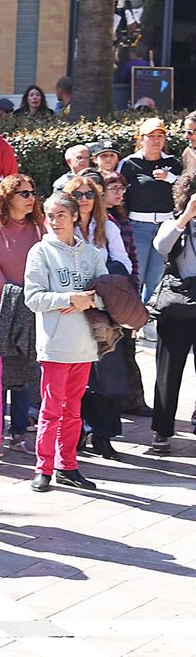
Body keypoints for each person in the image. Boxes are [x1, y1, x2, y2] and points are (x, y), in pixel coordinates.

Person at [25, 193, 105, 491]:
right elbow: (32, 298)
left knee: (74, 410)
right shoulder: (40, 252)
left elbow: (107, 291)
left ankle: (67, 465)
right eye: (50, 215)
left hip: (85, 343)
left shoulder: (91, 253)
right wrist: (68, 298)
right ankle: (43, 468)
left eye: (60, 215)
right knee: (51, 409)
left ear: (74, 216)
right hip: (55, 344)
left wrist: (89, 299)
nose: (54, 221)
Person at [0, 175, 42, 451]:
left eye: (32, 192)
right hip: (1, 310)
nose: (30, 198)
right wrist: (18, 298)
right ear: (7, 197)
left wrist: (35, 299)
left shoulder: (40, 228)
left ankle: (19, 433)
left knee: (25, 372)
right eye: (23, 193)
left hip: (34, 308)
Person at [151, 174, 196, 454]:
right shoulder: (176, 223)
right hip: (178, 306)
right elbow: (161, 246)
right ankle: (162, 431)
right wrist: (186, 217)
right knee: (168, 371)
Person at [120, 116, 182, 301]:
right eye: (151, 136)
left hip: (166, 226)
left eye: (160, 136)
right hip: (138, 226)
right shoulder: (129, 163)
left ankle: (149, 321)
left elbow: (186, 191)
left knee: (156, 278)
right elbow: (118, 193)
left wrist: (171, 178)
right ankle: (133, 320)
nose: (156, 140)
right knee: (135, 278)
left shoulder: (174, 163)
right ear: (141, 139)